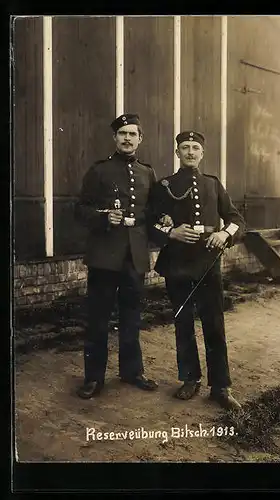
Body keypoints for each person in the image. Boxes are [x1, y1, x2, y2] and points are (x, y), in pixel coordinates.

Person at [151, 130, 246, 410]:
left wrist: (224, 234)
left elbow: (236, 218)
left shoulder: (213, 185)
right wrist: (171, 232)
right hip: (178, 261)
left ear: (202, 153)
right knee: (183, 322)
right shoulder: (165, 185)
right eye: (185, 148)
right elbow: (151, 222)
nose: (190, 152)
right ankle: (190, 379)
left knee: (214, 323)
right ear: (177, 153)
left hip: (207, 260)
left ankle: (221, 386)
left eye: (195, 148)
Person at [74, 113, 158, 399]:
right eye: (122, 133)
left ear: (140, 139)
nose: (127, 138)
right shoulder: (99, 171)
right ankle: (94, 378)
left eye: (132, 134)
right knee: (98, 318)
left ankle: (131, 372)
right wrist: (103, 216)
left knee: (132, 317)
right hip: (104, 257)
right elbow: (80, 210)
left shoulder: (148, 173)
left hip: (134, 257)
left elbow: (153, 213)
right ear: (115, 138)